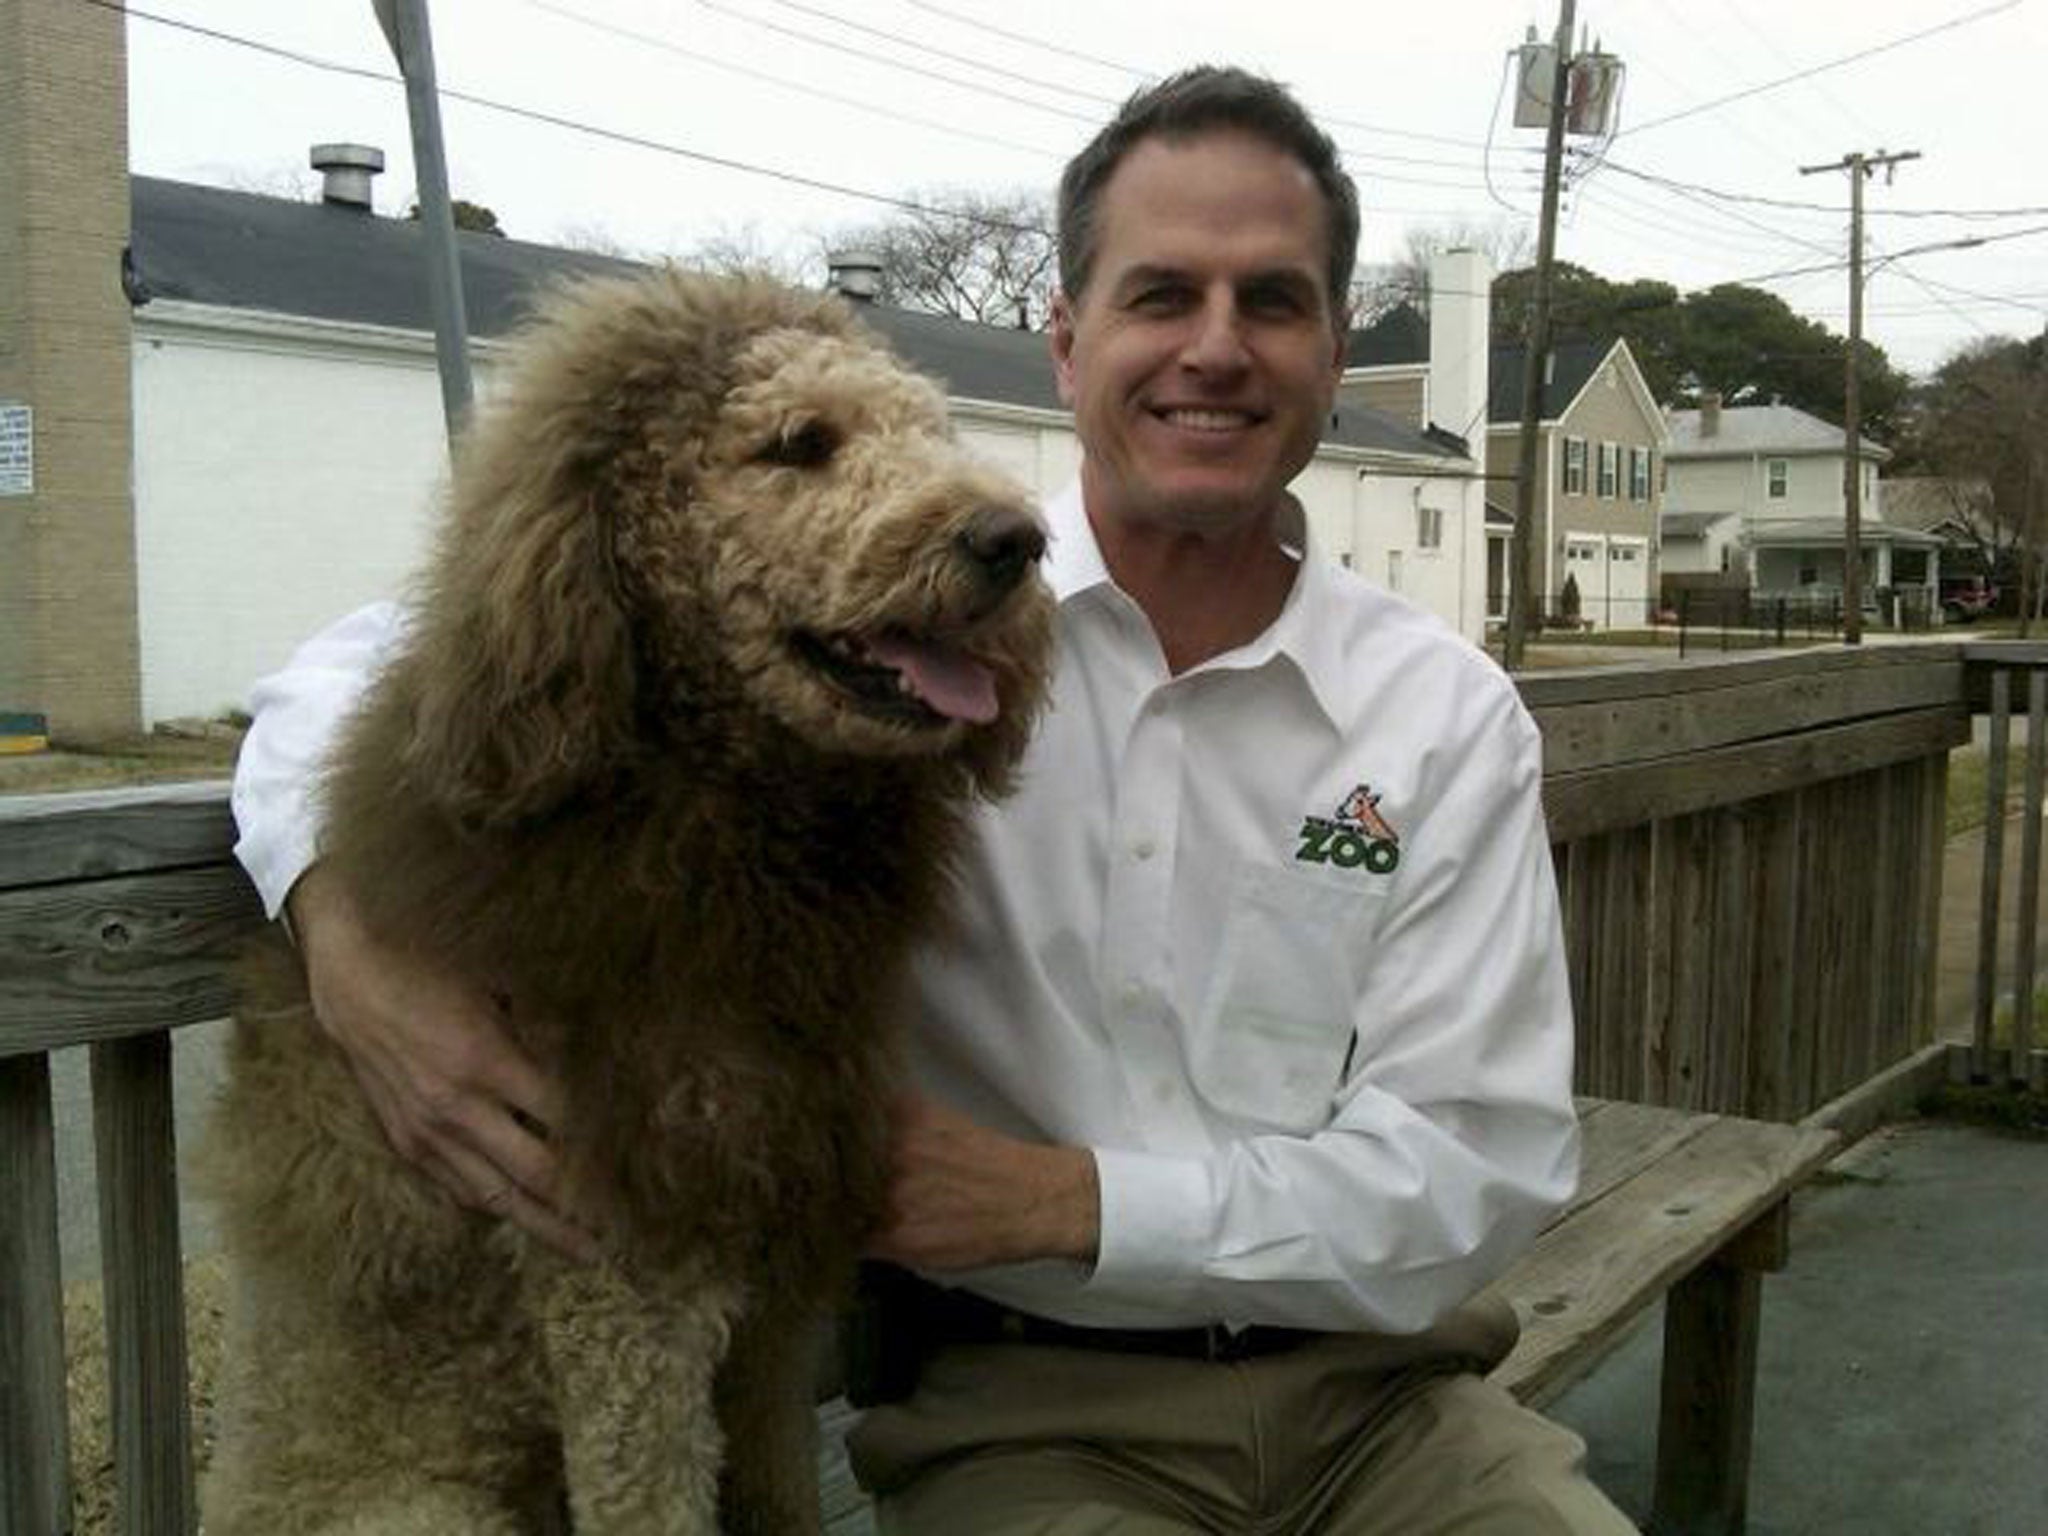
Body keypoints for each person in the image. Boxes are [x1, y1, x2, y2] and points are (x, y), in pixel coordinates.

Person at [232, 65, 1637, 1535]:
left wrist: (1060, 1204)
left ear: (1338, 352)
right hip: (1029, 1414)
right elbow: (382, 667)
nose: (1215, 349)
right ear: (1066, 335)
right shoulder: (910, 633)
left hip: (1397, 1402)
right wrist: (341, 928)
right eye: (1162, 295)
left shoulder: (1442, 711)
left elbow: (1477, 1163)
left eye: (1271, 302)